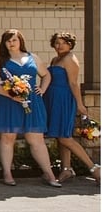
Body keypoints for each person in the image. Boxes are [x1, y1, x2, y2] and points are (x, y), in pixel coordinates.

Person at [0, 29, 60, 187]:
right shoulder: (0, 60)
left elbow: (46, 75)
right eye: (8, 41)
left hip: (32, 101)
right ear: (4, 43)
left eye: (14, 40)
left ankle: (49, 174)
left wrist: (43, 89)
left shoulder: (33, 57)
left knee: (36, 139)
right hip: (8, 102)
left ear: (20, 41)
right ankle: (7, 173)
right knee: (8, 137)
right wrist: (10, 94)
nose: (11, 43)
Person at [44, 32, 101, 184]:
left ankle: (95, 168)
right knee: (59, 135)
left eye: (64, 42)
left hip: (64, 99)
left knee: (65, 137)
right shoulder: (56, 59)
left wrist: (80, 104)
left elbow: (73, 83)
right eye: (57, 42)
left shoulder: (70, 59)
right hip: (52, 99)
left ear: (70, 44)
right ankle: (66, 169)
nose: (59, 45)